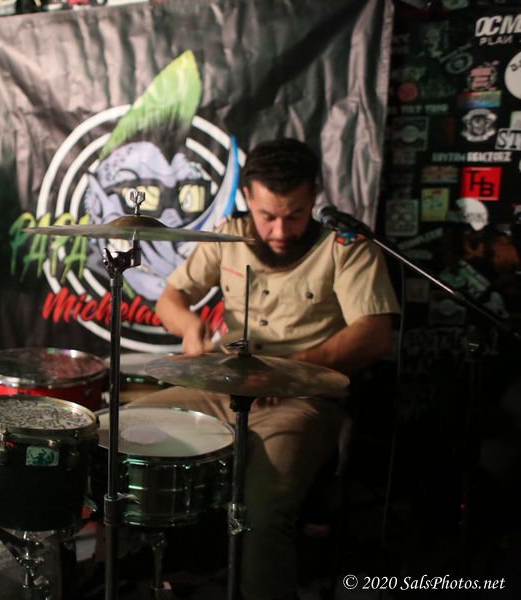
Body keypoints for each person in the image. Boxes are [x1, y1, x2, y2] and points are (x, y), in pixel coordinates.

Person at [129, 138, 401, 600]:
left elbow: (374, 333)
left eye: (294, 215)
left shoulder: (346, 246)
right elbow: (171, 297)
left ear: (314, 197)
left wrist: (290, 373)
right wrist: (190, 327)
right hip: (223, 384)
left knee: (262, 508)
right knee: (119, 432)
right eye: (267, 216)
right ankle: (125, 570)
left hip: (301, 399)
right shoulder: (230, 235)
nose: (279, 230)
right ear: (247, 199)